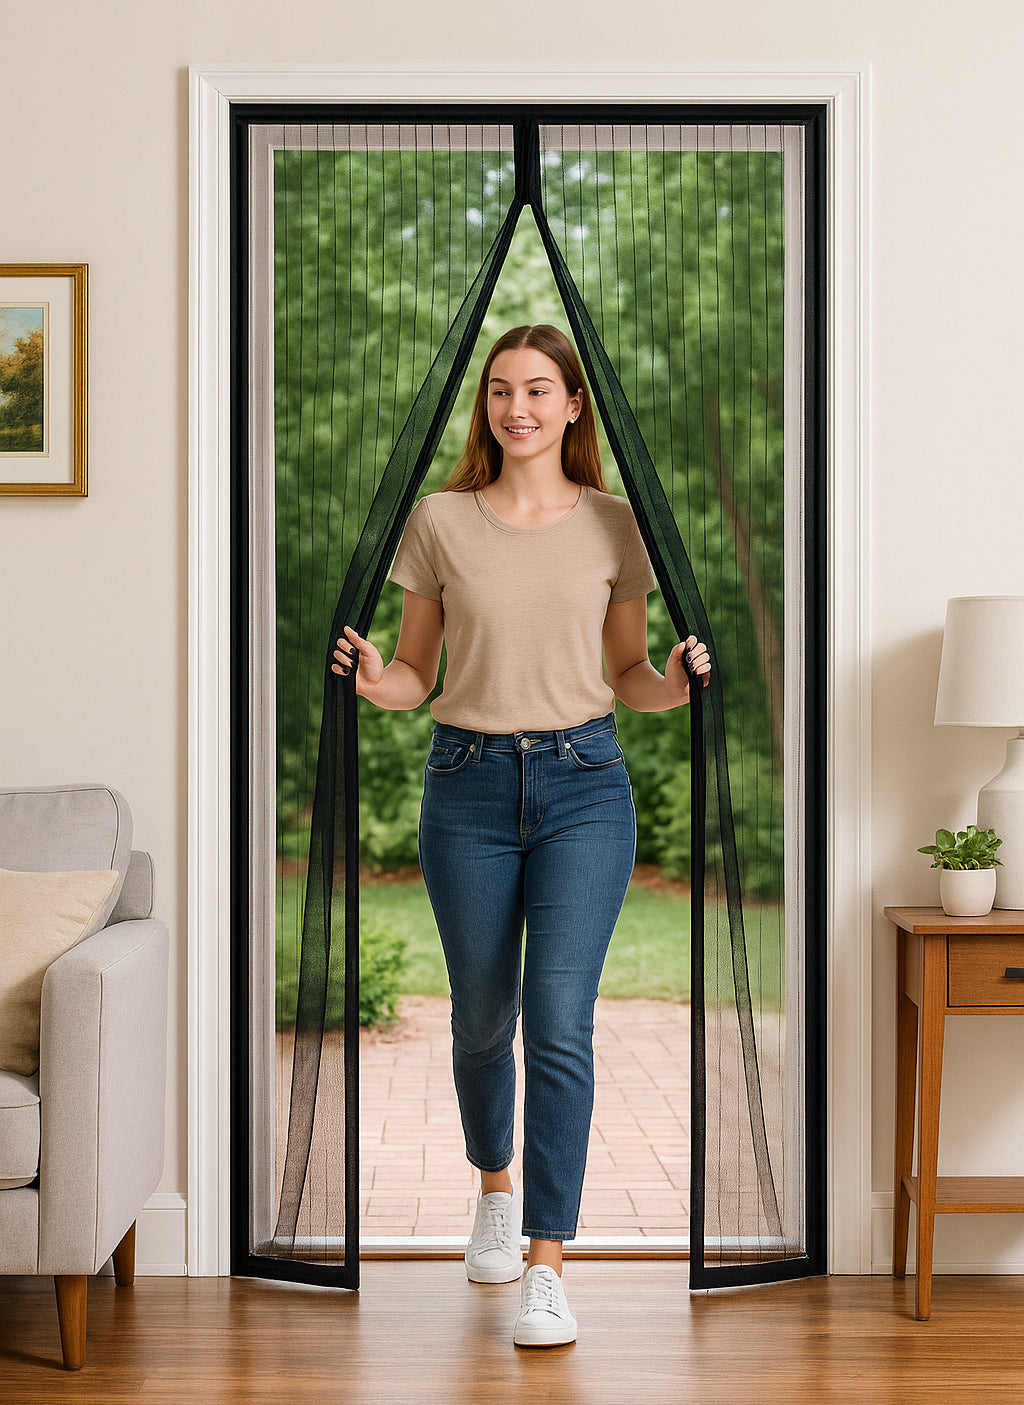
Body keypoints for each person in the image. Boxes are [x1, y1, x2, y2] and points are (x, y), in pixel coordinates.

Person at [332, 325, 711, 1348]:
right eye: (501, 390)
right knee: (480, 1018)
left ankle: (547, 1261)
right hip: (466, 784)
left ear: (575, 403)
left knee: (559, 1019)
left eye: (539, 390)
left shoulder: (617, 525)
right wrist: (377, 680)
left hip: (586, 784)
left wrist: (674, 687)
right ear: (486, 405)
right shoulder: (439, 521)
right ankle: (494, 1189)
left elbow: (628, 673)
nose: (518, 408)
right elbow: (416, 674)